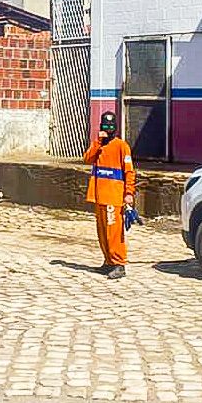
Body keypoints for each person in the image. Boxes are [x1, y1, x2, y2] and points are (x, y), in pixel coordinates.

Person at [83, 111, 135, 279]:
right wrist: (98, 141)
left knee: (114, 233)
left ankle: (119, 264)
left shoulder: (122, 146)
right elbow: (87, 159)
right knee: (102, 232)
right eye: (105, 126)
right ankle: (108, 262)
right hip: (99, 196)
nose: (108, 130)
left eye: (110, 127)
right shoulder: (98, 145)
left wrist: (129, 193)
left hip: (114, 196)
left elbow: (129, 172)